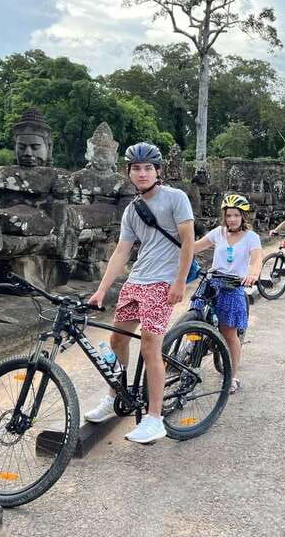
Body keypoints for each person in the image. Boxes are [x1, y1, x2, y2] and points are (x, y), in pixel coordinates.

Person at [84, 142, 195, 444]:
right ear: (129, 172)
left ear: (158, 171)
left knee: (149, 345)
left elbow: (187, 242)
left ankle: (155, 418)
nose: (142, 173)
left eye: (148, 168)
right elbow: (122, 250)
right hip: (137, 280)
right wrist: (101, 290)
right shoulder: (133, 209)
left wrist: (180, 282)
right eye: (136, 168)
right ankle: (113, 397)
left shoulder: (176, 198)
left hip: (163, 281)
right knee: (117, 339)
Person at [193, 194, 262, 394]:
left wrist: (253, 273)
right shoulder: (218, 233)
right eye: (228, 215)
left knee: (229, 333)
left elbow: (257, 259)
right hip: (212, 282)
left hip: (232, 286)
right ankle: (190, 349)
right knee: (194, 314)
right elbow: (196, 247)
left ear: (243, 217)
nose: (232, 219)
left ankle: (232, 375)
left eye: (236, 215)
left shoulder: (251, 237)